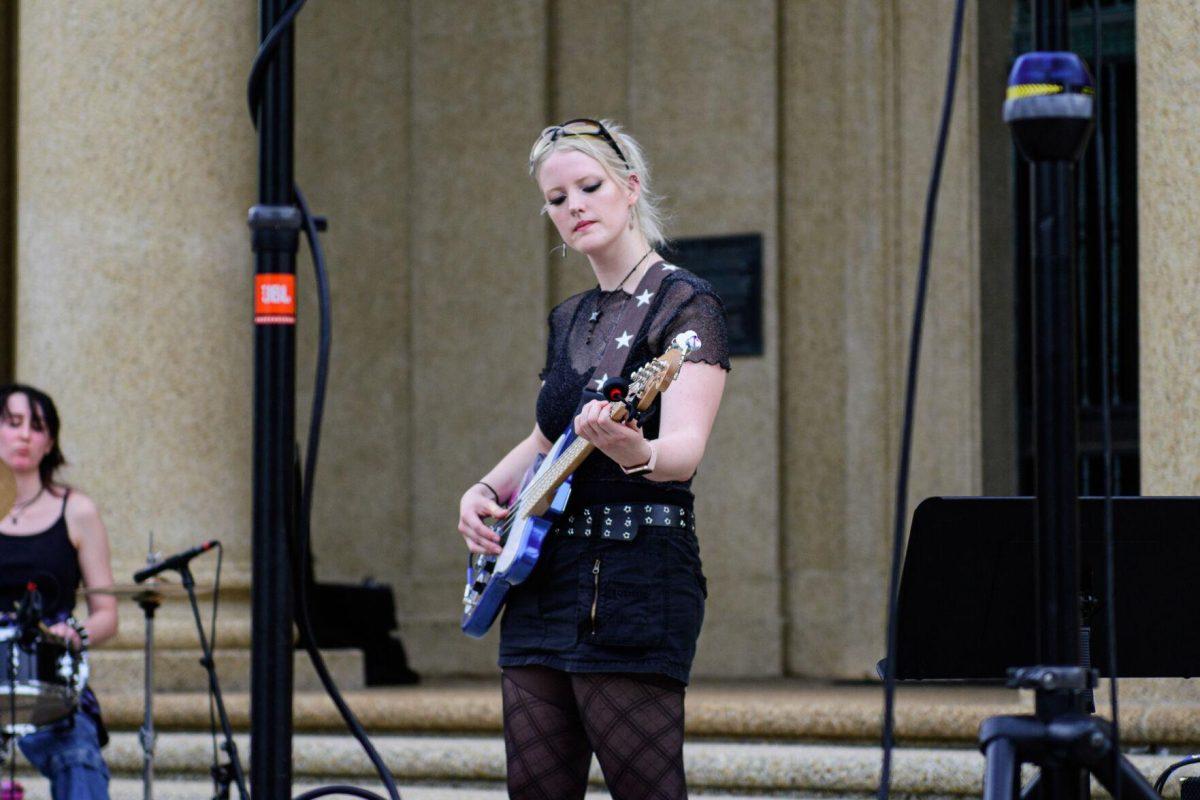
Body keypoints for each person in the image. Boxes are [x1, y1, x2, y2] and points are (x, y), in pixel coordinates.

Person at [458, 119, 729, 800]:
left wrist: (635, 449)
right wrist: (485, 488)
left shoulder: (685, 302)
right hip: (543, 576)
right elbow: (548, 439)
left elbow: (684, 454)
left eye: (589, 186)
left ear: (629, 188)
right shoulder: (570, 316)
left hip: (634, 573)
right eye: (557, 198)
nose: (573, 205)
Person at [0, 384, 116, 799]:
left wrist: (75, 634)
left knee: (78, 758)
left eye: (38, 426)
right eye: (13, 423)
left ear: (50, 442)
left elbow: (106, 612)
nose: (25, 435)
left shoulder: (77, 510)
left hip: (47, 674)